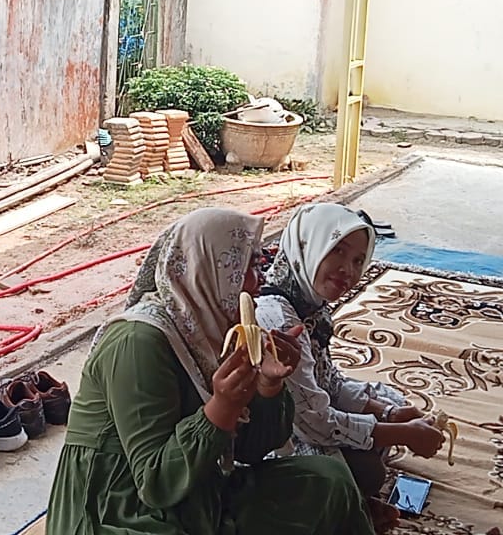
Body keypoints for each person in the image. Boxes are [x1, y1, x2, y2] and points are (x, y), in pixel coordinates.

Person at [46, 207, 374, 535]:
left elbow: (251, 450)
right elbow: (155, 482)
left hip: (196, 489)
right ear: (211, 268)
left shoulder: (215, 330)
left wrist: (268, 386)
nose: (260, 280)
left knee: (329, 482)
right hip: (117, 506)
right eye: (248, 267)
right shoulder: (137, 341)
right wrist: (222, 407)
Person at [253, 204, 445, 522]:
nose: (348, 270)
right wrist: (402, 434)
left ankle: (352, 501)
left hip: (306, 417)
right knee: (367, 472)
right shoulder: (278, 319)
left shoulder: (309, 305)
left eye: (358, 260)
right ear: (308, 246)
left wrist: (389, 414)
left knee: (391, 403)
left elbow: (329, 383)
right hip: (273, 440)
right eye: (337, 251)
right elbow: (313, 423)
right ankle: (345, 510)